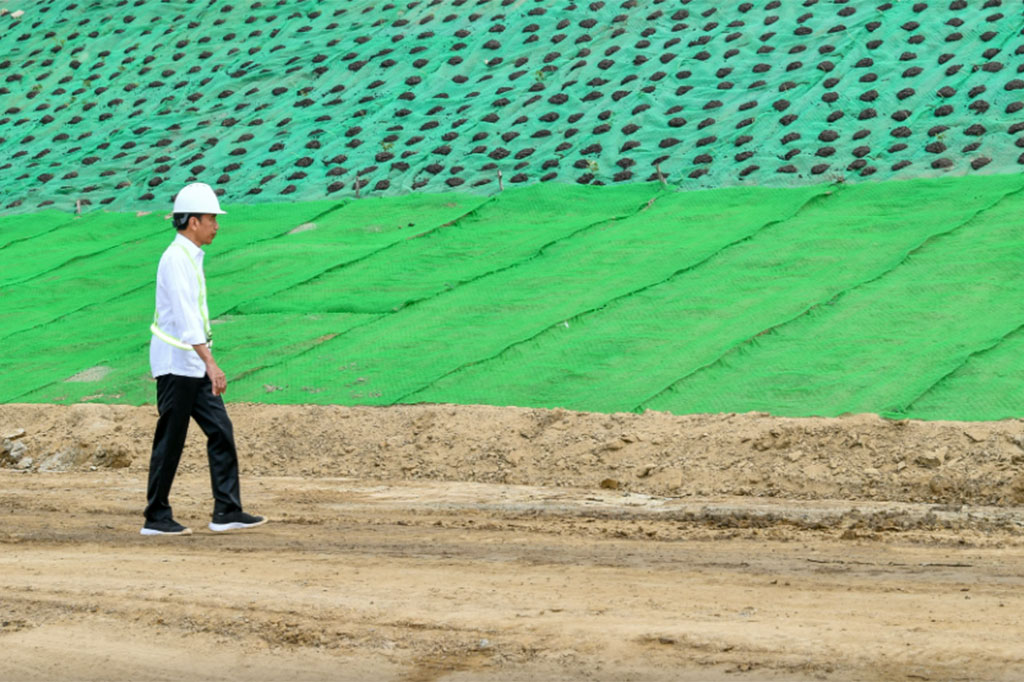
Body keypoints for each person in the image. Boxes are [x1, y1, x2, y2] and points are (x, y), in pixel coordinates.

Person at [141, 182, 266, 536]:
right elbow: (185, 317)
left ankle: (226, 510)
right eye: (211, 218)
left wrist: (204, 362)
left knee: (220, 430)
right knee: (171, 439)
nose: (216, 225)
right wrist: (211, 363)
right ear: (193, 221)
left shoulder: (190, 256)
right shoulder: (175, 259)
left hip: (192, 363)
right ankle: (156, 516)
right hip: (175, 364)